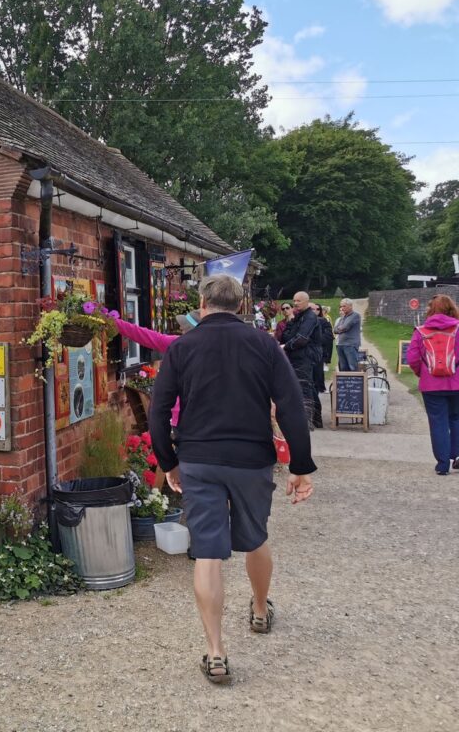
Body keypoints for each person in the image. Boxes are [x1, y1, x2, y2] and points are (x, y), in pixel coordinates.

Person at [148, 274, 316, 685]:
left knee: (207, 552)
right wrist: (300, 465)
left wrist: (169, 462)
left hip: (199, 460)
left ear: (202, 303)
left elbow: (158, 411)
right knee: (255, 536)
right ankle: (259, 610)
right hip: (250, 459)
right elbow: (291, 404)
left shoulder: (182, 347)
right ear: (240, 305)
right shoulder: (265, 346)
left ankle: (216, 651)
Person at [406, 295, 459, 475]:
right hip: (457, 383)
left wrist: (422, 373)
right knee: (456, 418)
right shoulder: (458, 328)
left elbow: (412, 358)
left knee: (438, 423)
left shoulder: (421, 331)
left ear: (430, 310)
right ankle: (457, 455)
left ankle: (442, 464)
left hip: (431, 385)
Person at [280, 292, 323, 428]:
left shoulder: (310, 317)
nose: (296, 303)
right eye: (294, 301)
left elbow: (301, 339)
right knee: (302, 386)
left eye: (299, 301)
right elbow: (288, 334)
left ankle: (308, 421)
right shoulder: (299, 317)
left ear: (306, 301)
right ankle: (311, 419)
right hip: (298, 355)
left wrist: (286, 346)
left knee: (305, 386)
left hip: (306, 356)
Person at [334, 299, 362, 372]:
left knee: (352, 367)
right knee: (343, 368)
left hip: (350, 345)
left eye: (344, 306)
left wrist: (341, 328)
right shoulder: (343, 317)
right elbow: (335, 330)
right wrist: (341, 328)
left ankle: (354, 383)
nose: (342, 308)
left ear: (350, 306)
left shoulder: (355, 315)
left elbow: (345, 327)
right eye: (341, 306)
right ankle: (345, 383)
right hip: (340, 344)